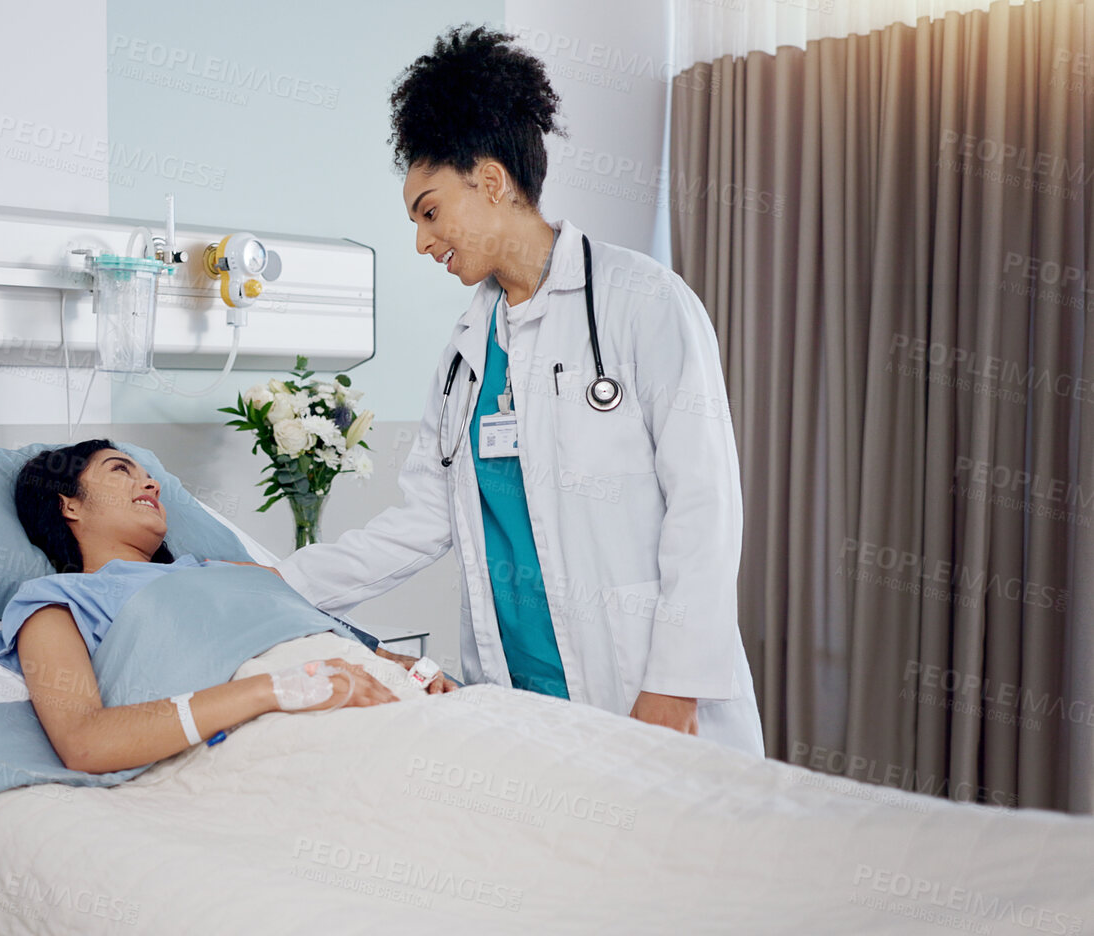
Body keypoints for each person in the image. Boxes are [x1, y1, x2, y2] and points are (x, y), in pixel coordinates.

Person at [277, 26, 765, 754]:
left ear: (492, 181)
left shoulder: (643, 302)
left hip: (641, 689)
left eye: (429, 210)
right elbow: (418, 523)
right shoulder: (465, 355)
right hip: (520, 704)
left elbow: (705, 506)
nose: (421, 241)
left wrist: (673, 684)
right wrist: (274, 579)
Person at [0, 440, 441, 774]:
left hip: (380, 695)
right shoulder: (57, 604)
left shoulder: (225, 568)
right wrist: (278, 689)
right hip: (280, 726)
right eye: (121, 470)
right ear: (69, 505)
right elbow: (84, 742)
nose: (150, 482)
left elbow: (317, 632)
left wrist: (395, 663)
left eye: (147, 473)